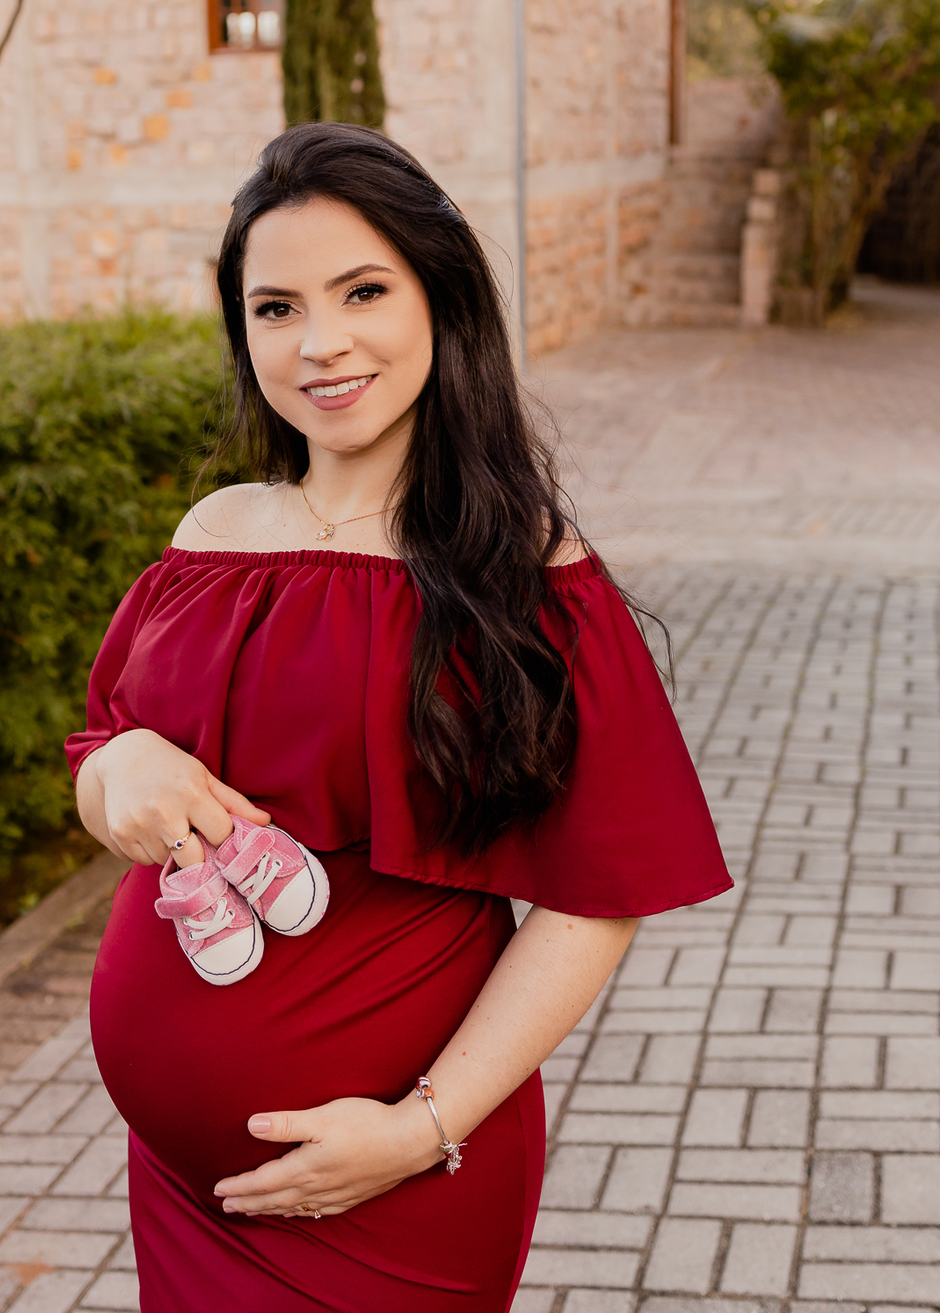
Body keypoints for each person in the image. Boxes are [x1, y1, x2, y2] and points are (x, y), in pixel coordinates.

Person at [67, 123, 731, 1313]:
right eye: (276, 308)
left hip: (397, 1185)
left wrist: (422, 1128)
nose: (320, 341)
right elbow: (105, 761)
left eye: (362, 291)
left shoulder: (523, 572)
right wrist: (119, 769)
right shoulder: (214, 536)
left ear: (442, 294)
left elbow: (601, 893)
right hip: (182, 1186)